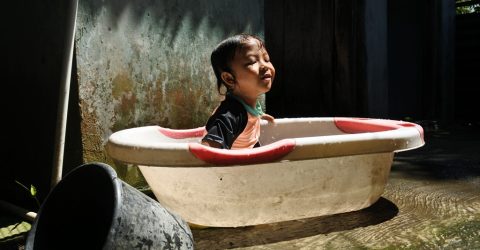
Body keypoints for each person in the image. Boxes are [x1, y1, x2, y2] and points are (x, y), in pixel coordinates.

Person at [201, 34, 275, 149]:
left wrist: (259, 116)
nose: (265, 66)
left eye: (267, 59)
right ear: (229, 79)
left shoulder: (246, 106)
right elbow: (208, 149)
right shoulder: (231, 114)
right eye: (252, 62)